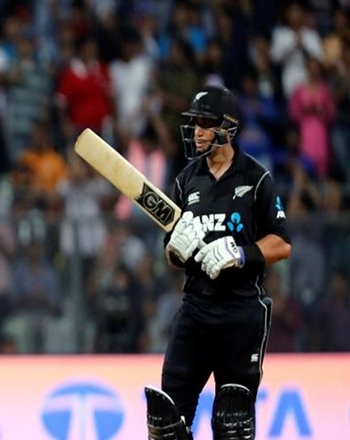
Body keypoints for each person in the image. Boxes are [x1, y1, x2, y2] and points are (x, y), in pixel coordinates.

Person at [145, 84, 292, 440]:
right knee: (167, 422)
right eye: (194, 123)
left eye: (205, 124)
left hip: (241, 311)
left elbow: (282, 243)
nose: (196, 131)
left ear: (227, 127)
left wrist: (240, 254)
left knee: (233, 425)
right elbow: (171, 253)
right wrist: (176, 251)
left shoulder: (256, 178)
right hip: (196, 309)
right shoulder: (186, 180)